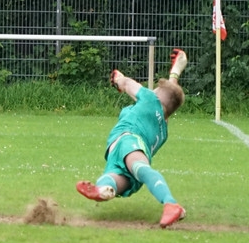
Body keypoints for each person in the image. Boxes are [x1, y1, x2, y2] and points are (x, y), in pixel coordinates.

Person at [76, 48, 188, 228]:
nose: (152, 90)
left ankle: (171, 203)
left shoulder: (150, 100)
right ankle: (102, 189)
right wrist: (175, 72)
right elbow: (170, 96)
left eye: (156, 89)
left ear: (157, 96)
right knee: (118, 177)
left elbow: (128, 84)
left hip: (129, 141)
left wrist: (119, 79)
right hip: (125, 152)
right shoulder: (163, 125)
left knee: (136, 169)